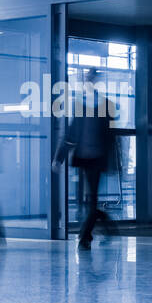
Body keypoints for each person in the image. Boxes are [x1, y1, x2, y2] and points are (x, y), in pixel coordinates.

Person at [54, 69, 116, 250]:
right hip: (82, 158)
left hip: (97, 158)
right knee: (85, 202)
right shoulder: (79, 104)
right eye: (87, 79)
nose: (89, 82)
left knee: (91, 200)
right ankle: (104, 221)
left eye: (91, 79)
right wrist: (59, 157)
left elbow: (110, 137)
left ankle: (85, 237)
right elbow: (72, 133)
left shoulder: (106, 105)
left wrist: (112, 163)